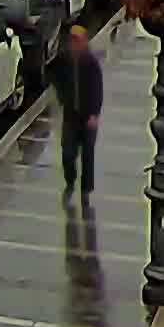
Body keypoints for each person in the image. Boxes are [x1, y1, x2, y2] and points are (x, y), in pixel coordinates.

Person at [51, 21, 106, 205]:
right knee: (67, 151)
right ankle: (70, 178)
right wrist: (62, 96)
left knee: (88, 153)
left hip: (87, 115)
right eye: (72, 40)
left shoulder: (91, 63)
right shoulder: (64, 59)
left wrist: (94, 115)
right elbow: (54, 75)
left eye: (78, 40)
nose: (74, 44)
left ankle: (86, 189)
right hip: (71, 115)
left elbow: (97, 90)